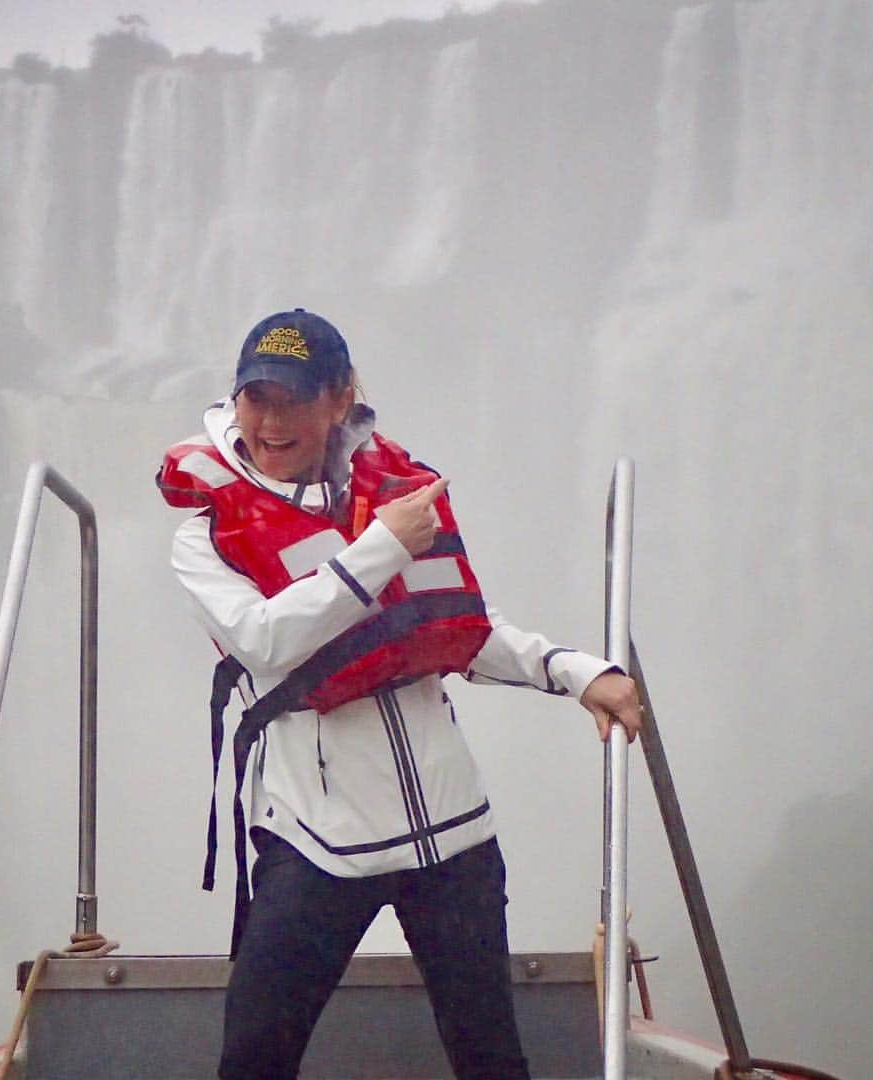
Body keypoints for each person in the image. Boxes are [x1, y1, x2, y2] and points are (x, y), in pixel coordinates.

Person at [160, 308, 642, 1080]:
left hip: (452, 835)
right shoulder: (206, 535)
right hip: (316, 840)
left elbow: (452, 629)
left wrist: (575, 671)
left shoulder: (394, 494)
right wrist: (382, 548)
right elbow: (265, 641)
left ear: (341, 397)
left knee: (491, 1061)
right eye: (256, 398)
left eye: (293, 397)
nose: (271, 420)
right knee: (252, 1060)